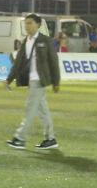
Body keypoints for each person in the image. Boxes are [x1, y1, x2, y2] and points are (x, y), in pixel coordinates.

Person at [4, 13, 61, 151]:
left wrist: (56, 81)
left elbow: (54, 62)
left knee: (30, 109)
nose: (27, 26)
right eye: (26, 23)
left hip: (39, 80)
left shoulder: (45, 40)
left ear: (38, 24)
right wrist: (9, 79)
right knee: (42, 110)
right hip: (31, 80)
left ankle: (20, 138)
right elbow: (18, 63)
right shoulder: (26, 41)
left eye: (30, 23)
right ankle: (50, 139)